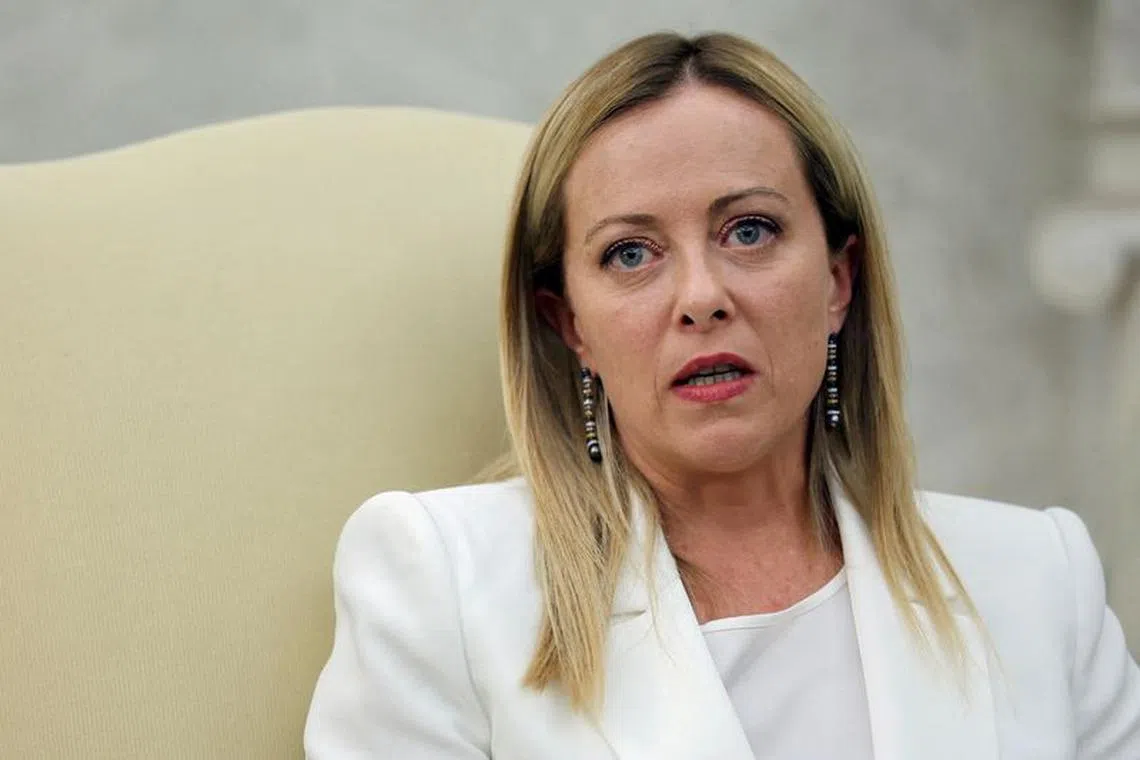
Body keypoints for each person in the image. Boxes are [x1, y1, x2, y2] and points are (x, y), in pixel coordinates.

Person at [303, 32, 1140, 759]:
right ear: (570, 325)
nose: (701, 296)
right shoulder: (440, 581)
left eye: (750, 231)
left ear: (840, 281)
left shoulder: (1037, 578)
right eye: (631, 254)